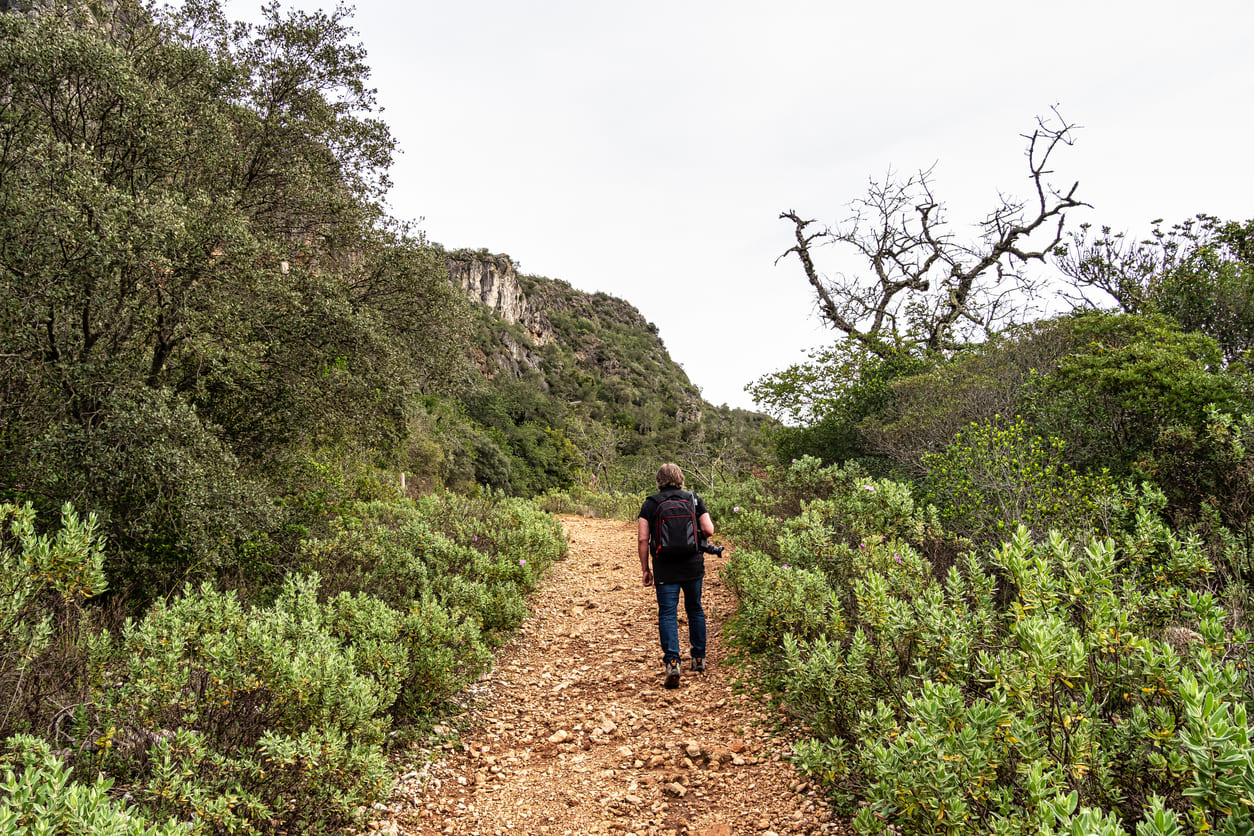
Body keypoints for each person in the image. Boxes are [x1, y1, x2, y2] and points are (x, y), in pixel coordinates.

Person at [639, 463, 715, 689]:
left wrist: (645, 569)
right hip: (693, 566)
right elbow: (709, 530)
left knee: (668, 614)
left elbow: (643, 539)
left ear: (658, 480)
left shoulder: (651, 503)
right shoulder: (693, 499)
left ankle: (673, 661)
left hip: (664, 568)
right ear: (681, 478)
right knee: (695, 609)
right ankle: (698, 658)